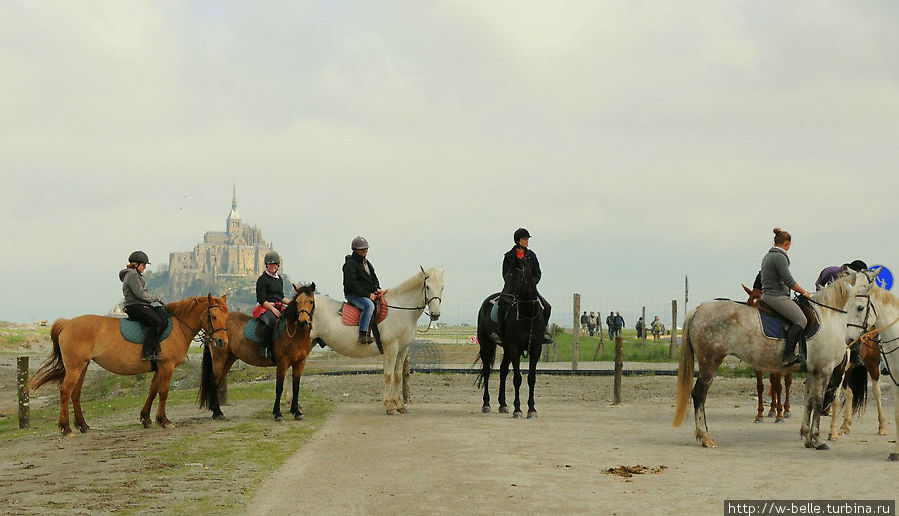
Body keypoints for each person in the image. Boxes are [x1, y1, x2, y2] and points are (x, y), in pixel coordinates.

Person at [490, 228, 553, 344]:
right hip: (512, 289)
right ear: (518, 240)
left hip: (530, 289)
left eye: (527, 239)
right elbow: (505, 273)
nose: (527, 241)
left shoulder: (531, 255)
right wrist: (512, 284)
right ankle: (498, 331)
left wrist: (531, 284)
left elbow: (537, 273)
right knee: (502, 305)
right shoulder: (509, 256)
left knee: (547, 307)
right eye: (525, 239)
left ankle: (543, 332)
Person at [760, 228, 811, 367]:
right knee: (801, 319)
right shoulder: (779, 256)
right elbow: (789, 280)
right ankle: (787, 355)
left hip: (768, 295)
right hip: (775, 296)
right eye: (789, 246)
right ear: (787, 243)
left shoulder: (768, 255)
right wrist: (804, 292)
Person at [119, 251, 166, 361]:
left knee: (162, 316)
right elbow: (140, 294)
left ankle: (156, 347)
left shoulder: (134, 275)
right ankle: (147, 352)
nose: (145, 268)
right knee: (156, 322)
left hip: (140, 305)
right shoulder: (132, 275)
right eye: (143, 265)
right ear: (136, 265)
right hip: (135, 306)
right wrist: (156, 298)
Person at [343, 236, 383, 345]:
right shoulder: (350, 265)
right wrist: (368, 295)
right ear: (355, 250)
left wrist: (377, 288)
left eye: (366, 249)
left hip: (367, 293)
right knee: (369, 306)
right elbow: (352, 284)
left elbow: (374, 277)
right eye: (362, 249)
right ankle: (362, 335)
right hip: (353, 294)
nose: (365, 251)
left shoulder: (366, 262)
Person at [254, 250, 291, 360]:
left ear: (278, 265)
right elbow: (261, 300)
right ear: (266, 265)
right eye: (270, 264)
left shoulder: (279, 279)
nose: (272, 266)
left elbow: (281, 297)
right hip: (265, 306)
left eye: (274, 264)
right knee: (271, 322)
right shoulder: (262, 279)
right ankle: (265, 348)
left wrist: (293, 303)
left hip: (278, 305)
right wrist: (273, 310)